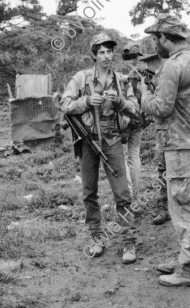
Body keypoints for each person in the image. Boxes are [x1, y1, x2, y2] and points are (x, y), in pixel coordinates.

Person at [137, 14, 190, 287]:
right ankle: (186, 258)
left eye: (154, 38)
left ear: (164, 38)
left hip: (182, 146)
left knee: (185, 206)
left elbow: (161, 108)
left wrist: (143, 94)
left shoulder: (173, 64)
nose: (153, 44)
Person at [60, 32, 139, 264]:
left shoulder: (121, 80)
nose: (106, 56)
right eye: (101, 52)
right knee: (89, 193)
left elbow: (135, 109)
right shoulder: (82, 78)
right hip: (88, 141)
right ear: (94, 55)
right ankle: (96, 238)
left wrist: (119, 102)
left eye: (109, 51)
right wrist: (85, 101)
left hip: (112, 140)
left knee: (123, 193)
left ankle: (128, 241)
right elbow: (64, 103)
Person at [121, 42, 148, 200]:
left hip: (122, 116)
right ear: (138, 55)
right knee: (134, 155)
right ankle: (136, 193)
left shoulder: (116, 70)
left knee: (121, 156)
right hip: (138, 116)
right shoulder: (144, 70)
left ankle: (129, 193)